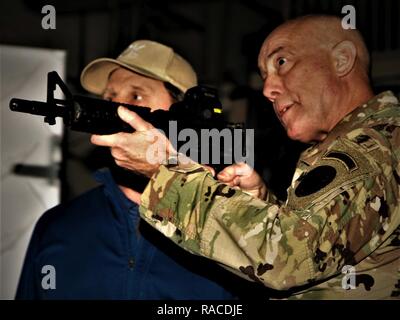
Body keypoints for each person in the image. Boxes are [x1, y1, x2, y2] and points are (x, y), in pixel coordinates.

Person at [91, 16, 400, 299]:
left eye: (282, 61)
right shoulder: (360, 146)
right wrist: (261, 203)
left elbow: (286, 259)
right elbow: (323, 246)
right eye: (264, 75)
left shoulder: (372, 148)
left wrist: (165, 172)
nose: (267, 88)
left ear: (342, 59)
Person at [15, 40, 251, 299]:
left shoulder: (229, 236)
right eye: (109, 98)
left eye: (136, 96)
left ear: (186, 117)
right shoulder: (58, 228)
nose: (117, 109)